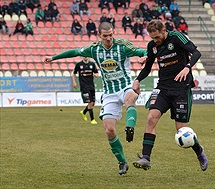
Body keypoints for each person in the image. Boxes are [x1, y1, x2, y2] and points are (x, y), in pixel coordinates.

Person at [44, 22, 147, 175]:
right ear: (99, 36)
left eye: (111, 35)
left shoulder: (122, 46)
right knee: (109, 130)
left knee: (131, 97)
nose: (109, 39)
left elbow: (141, 50)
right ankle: (122, 161)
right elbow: (74, 52)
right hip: (109, 93)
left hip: (125, 86)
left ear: (113, 33)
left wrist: (145, 56)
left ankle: (130, 127)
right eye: (105, 36)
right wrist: (53, 58)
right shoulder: (93, 49)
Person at [131, 19, 208, 172]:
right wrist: (137, 80)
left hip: (181, 89)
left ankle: (199, 152)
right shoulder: (152, 46)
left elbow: (197, 52)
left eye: (157, 37)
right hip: (163, 88)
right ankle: (146, 158)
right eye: (153, 38)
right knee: (151, 117)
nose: (156, 40)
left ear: (164, 31)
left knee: (181, 131)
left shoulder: (177, 38)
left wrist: (187, 67)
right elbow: (147, 68)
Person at [72, 57, 99, 125]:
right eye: (84, 56)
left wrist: (95, 75)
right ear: (82, 56)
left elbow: (96, 73)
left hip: (91, 86)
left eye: (87, 56)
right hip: (84, 86)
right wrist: (74, 82)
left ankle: (83, 112)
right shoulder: (79, 64)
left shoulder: (92, 64)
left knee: (93, 103)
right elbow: (74, 73)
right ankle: (92, 120)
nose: (85, 57)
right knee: (90, 103)